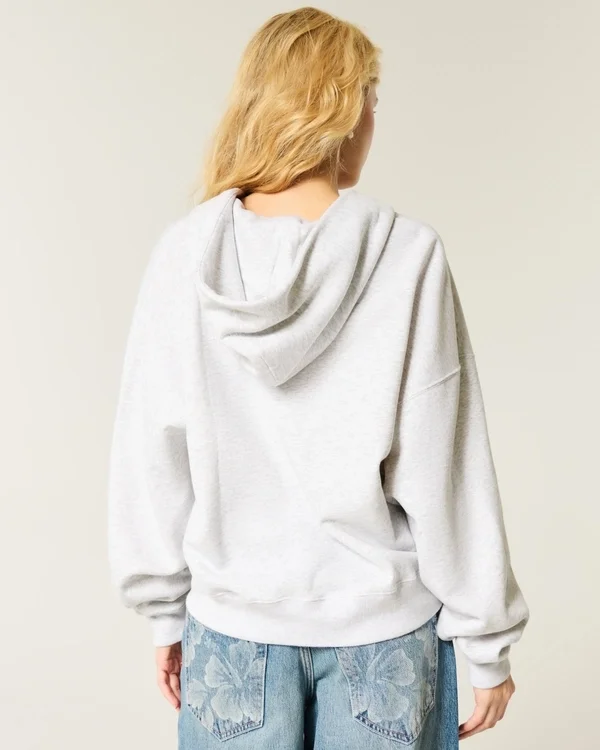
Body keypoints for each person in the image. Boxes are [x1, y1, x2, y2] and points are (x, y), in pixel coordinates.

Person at [107, 6, 530, 748]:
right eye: (372, 100)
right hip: (383, 630)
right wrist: (486, 642)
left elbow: (151, 453)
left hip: (233, 630)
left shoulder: (185, 257)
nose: (373, 120)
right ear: (342, 109)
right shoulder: (407, 255)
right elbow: (444, 464)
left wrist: (164, 612)